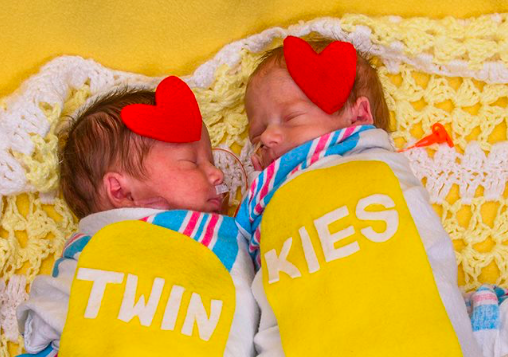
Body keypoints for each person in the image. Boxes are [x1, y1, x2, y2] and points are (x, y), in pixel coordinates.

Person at [236, 36, 482, 356]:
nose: (267, 137)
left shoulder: (374, 162)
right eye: (257, 137)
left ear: (359, 116)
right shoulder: (264, 200)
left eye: (291, 118)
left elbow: (426, 250)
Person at [17, 77, 257, 356]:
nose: (217, 174)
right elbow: (49, 315)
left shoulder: (224, 235)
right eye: (193, 163)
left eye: (212, 162)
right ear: (122, 191)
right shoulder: (96, 251)